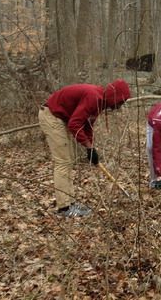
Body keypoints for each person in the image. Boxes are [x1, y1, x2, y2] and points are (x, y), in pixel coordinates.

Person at [39, 79, 131, 217]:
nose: (119, 106)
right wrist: (88, 147)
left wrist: (91, 148)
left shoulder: (100, 102)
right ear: (114, 96)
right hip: (52, 116)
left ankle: (70, 203)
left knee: (69, 161)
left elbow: (87, 125)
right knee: (63, 162)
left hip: (61, 118)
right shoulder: (94, 97)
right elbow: (74, 124)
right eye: (120, 102)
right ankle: (64, 208)